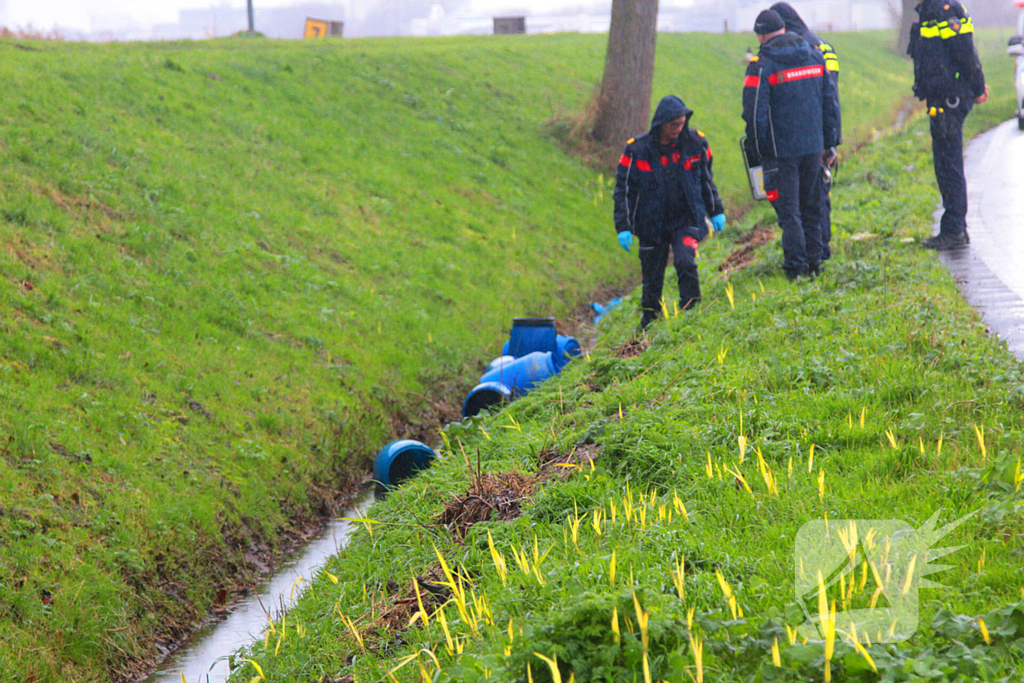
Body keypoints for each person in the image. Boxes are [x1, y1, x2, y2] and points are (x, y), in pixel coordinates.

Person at [613, 95, 726, 329]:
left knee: (685, 261)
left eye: (682, 124)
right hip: (650, 224)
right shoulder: (637, 150)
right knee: (652, 280)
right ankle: (650, 325)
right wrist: (623, 227)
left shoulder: (696, 144)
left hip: (686, 219)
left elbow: (706, 179)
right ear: (661, 123)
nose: (678, 129)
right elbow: (623, 191)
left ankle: (690, 317)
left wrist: (715, 210)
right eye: (674, 124)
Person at [742, 9, 840, 280]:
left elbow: (753, 114)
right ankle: (816, 261)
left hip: (781, 151)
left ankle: (796, 268)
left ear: (761, 34)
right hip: (813, 147)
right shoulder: (813, 53)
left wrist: (759, 148)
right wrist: (829, 143)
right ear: (783, 29)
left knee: (789, 212)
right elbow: (829, 102)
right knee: (812, 206)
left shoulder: (762, 64)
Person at [908, 0, 988, 250]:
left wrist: (977, 86)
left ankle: (954, 229)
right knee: (945, 162)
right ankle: (955, 228)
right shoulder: (929, 10)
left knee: (948, 163)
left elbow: (965, 51)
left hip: (950, 97)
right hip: (941, 96)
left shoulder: (945, 9)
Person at [770, 2, 842, 261]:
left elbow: (819, 96)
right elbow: (831, 97)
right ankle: (821, 250)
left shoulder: (797, 48)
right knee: (819, 195)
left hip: (809, 137)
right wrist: (832, 139)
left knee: (809, 199)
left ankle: (816, 253)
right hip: (823, 131)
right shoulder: (822, 44)